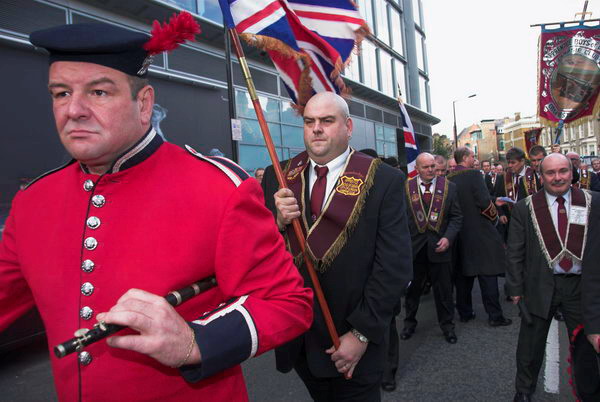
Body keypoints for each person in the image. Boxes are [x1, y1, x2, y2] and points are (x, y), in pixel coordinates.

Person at [0, 20, 314, 402]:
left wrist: (195, 342)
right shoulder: (33, 201)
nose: (74, 110)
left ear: (144, 103)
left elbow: (287, 302)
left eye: (98, 92)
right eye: (61, 93)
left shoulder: (217, 188)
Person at [261, 92, 412, 401]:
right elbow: (261, 254)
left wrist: (360, 333)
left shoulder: (384, 179)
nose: (316, 129)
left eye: (327, 121)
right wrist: (276, 223)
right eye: (309, 122)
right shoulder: (278, 177)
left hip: (353, 338)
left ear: (348, 126)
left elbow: (394, 267)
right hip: (299, 336)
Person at [507, 153, 600, 402]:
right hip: (540, 283)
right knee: (531, 344)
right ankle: (524, 389)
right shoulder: (524, 207)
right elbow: (515, 251)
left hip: (580, 286)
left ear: (572, 172)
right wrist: (515, 288)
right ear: (541, 175)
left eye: (563, 171)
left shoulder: (593, 202)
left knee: (584, 344)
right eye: (551, 172)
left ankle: (588, 392)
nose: (558, 177)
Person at [400, 152, 462, 344]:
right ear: (416, 169)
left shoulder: (450, 188)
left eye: (432, 166)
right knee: (412, 291)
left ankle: (448, 326)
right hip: (415, 249)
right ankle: (409, 323)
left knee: (443, 291)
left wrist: (448, 238)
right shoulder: (405, 188)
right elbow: (399, 219)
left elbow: (456, 217)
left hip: (440, 247)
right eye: (425, 167)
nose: (430, 170)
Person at [447, 147, 512, 327]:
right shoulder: (474, 175)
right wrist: (494, 218)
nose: (474, 160)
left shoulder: (448, 178)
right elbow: (484, 202)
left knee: (463, 276)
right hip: (480, 231)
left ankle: (465, 312)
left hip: (459, 232)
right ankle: (495, 315)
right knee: (488, 273)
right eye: (472, 157)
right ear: (466, 158)